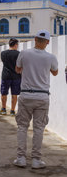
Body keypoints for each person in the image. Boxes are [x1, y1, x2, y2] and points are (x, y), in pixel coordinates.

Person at [13, 30, 58, 169]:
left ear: (35, 39)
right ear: (48, 42)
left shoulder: (24, 53)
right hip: (42, 96)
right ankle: (36, 160)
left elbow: (17, 69)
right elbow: (55, 72)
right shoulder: (51, 57)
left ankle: (20, 158)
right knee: (39, 128)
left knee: (22, 127)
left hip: (26, 95)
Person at [0, 38, 21, 116]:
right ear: (15, 45)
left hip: (6, 75)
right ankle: (12, 110)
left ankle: (3, 109)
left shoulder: (3, 53)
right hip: (16, 76)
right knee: (14, 94)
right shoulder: (19, 54)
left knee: (4, 93)